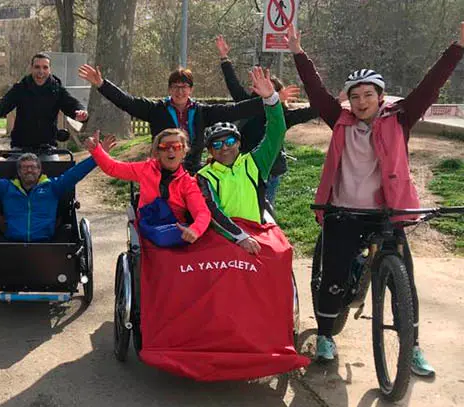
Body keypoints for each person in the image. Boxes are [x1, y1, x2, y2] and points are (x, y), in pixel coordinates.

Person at [288, 22, 464, 371]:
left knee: (405, 286)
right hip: (342, 210)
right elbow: (316, 90)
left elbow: (430, 87)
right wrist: (298, 53)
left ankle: (411, 347)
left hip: (388, 212)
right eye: (355, 96)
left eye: (368, 94)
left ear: (380, 97)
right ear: (348, 101)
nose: (361, 101)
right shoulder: (339, 119)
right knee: (335, 276)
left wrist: (457, 48)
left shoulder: (400, 117)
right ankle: (325, 336)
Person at [78, 64, 264, 174]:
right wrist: (102, 84)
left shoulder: (201, 111)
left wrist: (268, 99)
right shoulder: (156, 110)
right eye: (175, 87)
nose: (180, 91)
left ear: (191, 90)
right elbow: (127, 102)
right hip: (163, 169)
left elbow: (234, 110)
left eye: (184, 87)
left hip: (193, 170)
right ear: (169, 89)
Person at [214, 35, 319, 205]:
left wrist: (338, 101)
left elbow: (313, 111)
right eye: (263, 90)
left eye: (271, 92)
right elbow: (232, 83)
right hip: (245, 168)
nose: (266, 94)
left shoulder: (284, 116)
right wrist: (224, 57)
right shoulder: (246, 105)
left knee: (265, 211)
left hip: (271, 171)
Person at [196, 66, 287, 255]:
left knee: (282, 254)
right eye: (217, 145)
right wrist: (240, 236)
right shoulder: (203, 176)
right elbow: (213, 210)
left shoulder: (254, 162)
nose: (225, 148)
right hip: (221, 237)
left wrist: (271, 100)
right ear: (211, 151)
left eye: (229, 141)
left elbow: (276, 133)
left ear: (238, 142)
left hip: (255, 232)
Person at [0, 137, 96, 242]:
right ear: (19, 172)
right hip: (13, 243)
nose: (29, 171)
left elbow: (75, 173)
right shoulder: (6, 188)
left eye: (33, 167)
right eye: (25, 168)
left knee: (70, 232)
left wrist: (97, 157)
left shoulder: (53, 187)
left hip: (47, 244)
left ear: (39, 171)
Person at [84, 129, 210, 245]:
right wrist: (96, 150)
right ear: (157, 152)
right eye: (165, 147)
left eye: (176, 146)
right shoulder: (145, 169)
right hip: (148, 228)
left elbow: (202, 212)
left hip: (175, 232)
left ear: (183, 152)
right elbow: (113, 168)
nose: (171, 150)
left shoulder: (188, 183)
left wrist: (195, 230)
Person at [0, 53, 89, 150]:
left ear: (49, 70)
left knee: (56, 171)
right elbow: (3, 104)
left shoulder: (57, 90)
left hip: (47, 146)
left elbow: (72, 104)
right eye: (37, 67)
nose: (41, 71)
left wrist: (81, 113)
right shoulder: (20, 88)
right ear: (31, 68)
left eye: (45, 67)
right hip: (20, 146)